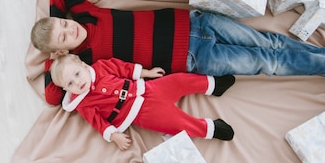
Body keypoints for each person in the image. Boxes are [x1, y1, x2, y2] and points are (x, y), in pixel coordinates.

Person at [31, 0, 325, 105]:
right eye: (64, 36)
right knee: (268, 64)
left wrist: (53, 25)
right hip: (194, 56)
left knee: (271, 43)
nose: (70, 29)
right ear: (62, 51)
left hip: (196, 22)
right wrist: (55, 55)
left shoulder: (86, 13)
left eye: (65, 24)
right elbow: (52, 94)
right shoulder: (86, 61)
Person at [50, 54, 236, 150]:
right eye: (70, 83)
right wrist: (113, 136)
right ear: (67, 90)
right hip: (141, 114)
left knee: (179, 80)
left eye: (77, 74)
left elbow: (122, 68)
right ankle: (211, 129)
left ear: (83, 65)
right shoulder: (83, 104)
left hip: (147, 89)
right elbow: (97, 123)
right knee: (176, 123)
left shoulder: (99, 68)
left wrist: (145, 73)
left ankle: (212, 84)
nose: (78, 82)